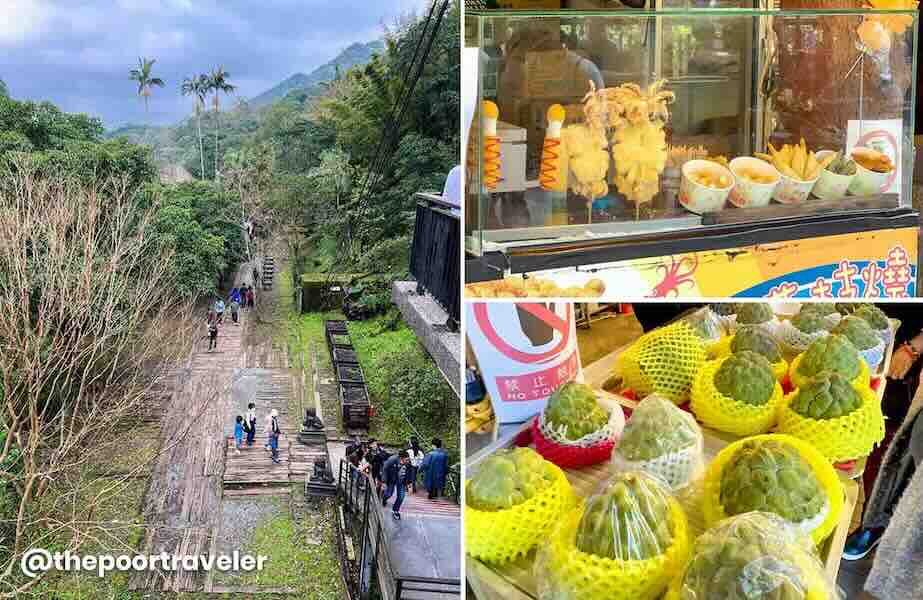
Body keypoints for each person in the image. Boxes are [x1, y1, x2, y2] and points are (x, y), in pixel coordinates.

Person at [844, 305, 923, 561]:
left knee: (896, 443)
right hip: (875, 330)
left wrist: (915, 347)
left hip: (910, 354)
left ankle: (875, 524)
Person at [381, 450, 412, 520]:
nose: (408, 461)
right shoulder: (392, 460)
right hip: (391, 479)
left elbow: (410, 473)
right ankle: (384, 498)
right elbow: (385, 470)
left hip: (402, 481)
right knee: (389, 494)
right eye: (406, 459)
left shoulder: (408, 462)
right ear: (401, 458)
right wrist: (384, 482)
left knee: (401, 496)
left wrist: (409, 484)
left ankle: (395, 510)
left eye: (408, 459)